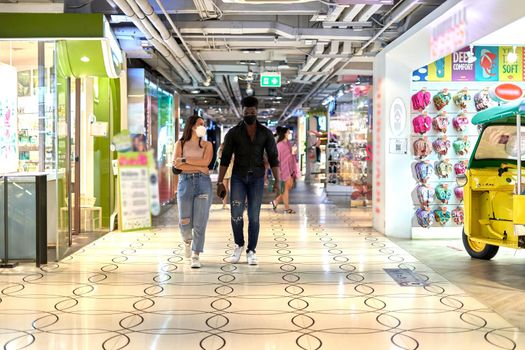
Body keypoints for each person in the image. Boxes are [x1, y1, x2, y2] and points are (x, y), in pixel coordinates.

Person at [217, 96, 280, 265]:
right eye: (246, 112)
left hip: (257, 179)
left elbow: (274, 158)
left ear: (257, 112)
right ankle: (239, 245)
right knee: (236, 214)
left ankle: (251, 250)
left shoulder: (265, 133)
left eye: (252, 112)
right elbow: (225, 158)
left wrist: (278, 181)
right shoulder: (233, 132)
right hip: (238, 177)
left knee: (254, 216)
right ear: (242, 112)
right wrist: (220, 181)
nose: (249, 115)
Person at [173, 115, 213, 268]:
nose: (203, 126)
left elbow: (206, 162)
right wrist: (197, 165)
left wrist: (185, 161)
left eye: (204, 124)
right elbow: (177, 166)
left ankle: (196, 254)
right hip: (185, 183)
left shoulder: (207, 145)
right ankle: (187, 242)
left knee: (200, 221)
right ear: (191, 126)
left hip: (203, 183)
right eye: (200, 124)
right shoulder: (180, 144)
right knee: (184, 219)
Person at [271, 127, 298, 214]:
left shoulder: (288, 144)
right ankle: (287, 208)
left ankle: (276, 201)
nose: (290, 134)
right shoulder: (279, 145)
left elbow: (291, 156)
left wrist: (293, 153)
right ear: (284, 134)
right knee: (285, 188)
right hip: (283, 168)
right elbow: (277, 158)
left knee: (288, 186)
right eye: (288, 133)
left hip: (289, 168)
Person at [217, 143, 234, 209]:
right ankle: (226, 204)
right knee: (229, 188)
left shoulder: (221, 148)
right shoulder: (223, 148)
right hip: (228, 169)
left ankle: (224, 204)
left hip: (226, 169)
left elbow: (219, 159)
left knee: (226, 188)